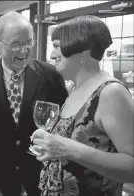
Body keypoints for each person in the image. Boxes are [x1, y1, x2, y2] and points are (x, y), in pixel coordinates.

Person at [31, 15, 134, 196]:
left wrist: (68, 149)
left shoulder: (111, 93)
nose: (52, 55)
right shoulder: (73, 88)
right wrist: (49, 141)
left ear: (83, 52)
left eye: (56, 46)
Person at [0, 11, 68, 196]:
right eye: (16, 44)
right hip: (2, 178)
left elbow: (64, 125)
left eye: (28, 42)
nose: (24, 51)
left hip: (43, 176)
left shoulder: (51, 76)